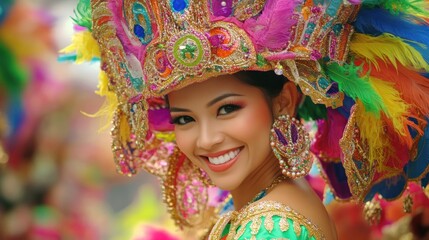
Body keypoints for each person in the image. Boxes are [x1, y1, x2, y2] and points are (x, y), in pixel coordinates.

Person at [64, 0, 429, 239]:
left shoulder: (271, 229)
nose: (206, 139)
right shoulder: (260, 203)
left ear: (284, 101)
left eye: (227, 109)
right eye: (185, 119)